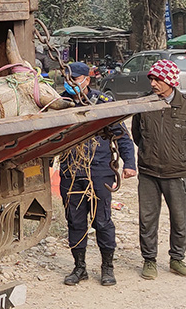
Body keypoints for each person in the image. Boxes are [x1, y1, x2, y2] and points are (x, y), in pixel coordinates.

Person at [57, 62, 136, 286]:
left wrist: (129, 162)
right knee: (75, 220)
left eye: (75, 79)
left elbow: (122, 136)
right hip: (71, 170)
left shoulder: (103, 103)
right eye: (68, 79)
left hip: (100, 170)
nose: (71, 83)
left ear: (87, 80)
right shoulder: (58, 104)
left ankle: (107, 267)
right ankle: (79, 267)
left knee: (102, 220)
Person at [131, 59, 186, 280]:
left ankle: (177, 259)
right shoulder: (143, 103)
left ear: (170, 81)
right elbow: (137, 135)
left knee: (179, 218)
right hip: (148, 172)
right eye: (151, 79)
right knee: (147, 218)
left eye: (158, 80)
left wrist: (179, 157)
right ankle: (149, 260)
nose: (153, 83)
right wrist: (148, 153)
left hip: (177, 173)